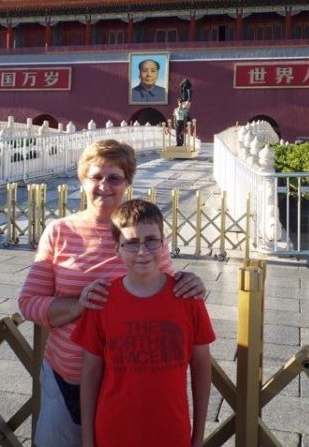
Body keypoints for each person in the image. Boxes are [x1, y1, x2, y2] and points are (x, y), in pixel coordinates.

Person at [18, 139, 206, 447]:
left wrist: (190, 284)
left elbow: (164, 294)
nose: (104, 186)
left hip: (125, 386)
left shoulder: (140, 237)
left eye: (115, 178)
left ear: (128, 183)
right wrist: (79, 305)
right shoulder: (59, 231)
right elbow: (28, 303)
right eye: (96, 176)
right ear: (82, 180)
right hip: (67, 376)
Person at [72, 199, 215, 447]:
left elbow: (202, 368)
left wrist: (199, 436)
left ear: (163, 243)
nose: (142, 251)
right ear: (117, 248)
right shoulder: (102, 302)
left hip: (171, 431)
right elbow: (91, 374)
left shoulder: (188, 299)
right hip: (113, 431)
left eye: (151, 240)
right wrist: (87, 439)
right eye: (131, 243)